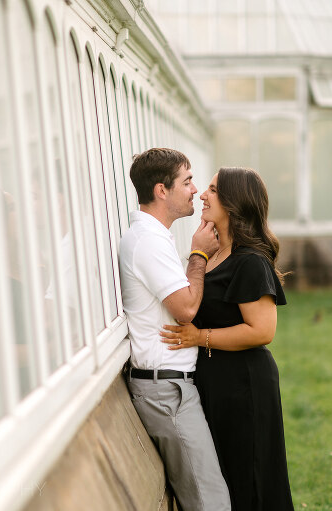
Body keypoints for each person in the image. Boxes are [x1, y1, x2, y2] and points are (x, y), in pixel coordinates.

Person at [160, 167, 294, 511]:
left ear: (234, 203)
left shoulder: (250, 261)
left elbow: (263, 330)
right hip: (217, 383)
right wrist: (198, 254)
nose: (203, 195)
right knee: (225, 479)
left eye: (213, 190)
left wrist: (197, 336)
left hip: (244, 385)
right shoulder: (216, 252)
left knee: (248, 479)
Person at [119, 148, 231, 511]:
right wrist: (198, 254)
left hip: (169, 386)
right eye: (186, 181)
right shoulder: (149, 242)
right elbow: (186, 309)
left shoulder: (154, 237)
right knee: (210, 502)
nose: (195, 190)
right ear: (161, 190)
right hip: (166, 391)